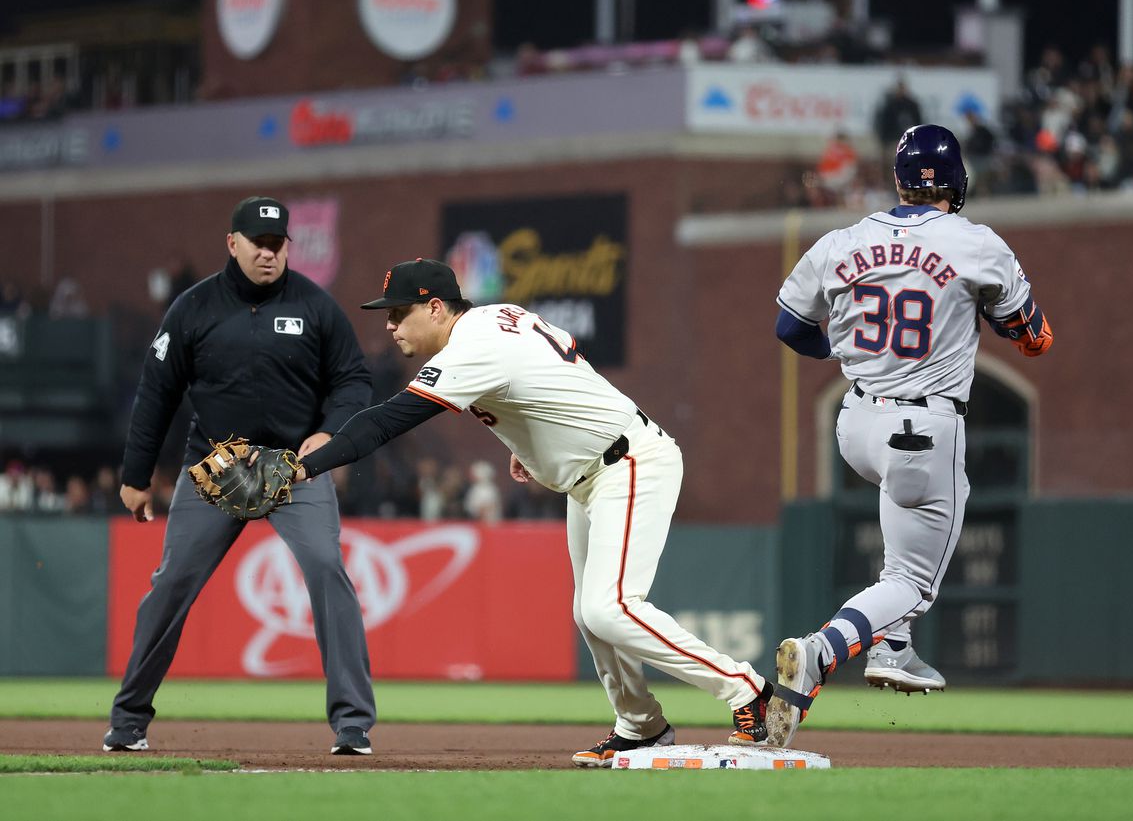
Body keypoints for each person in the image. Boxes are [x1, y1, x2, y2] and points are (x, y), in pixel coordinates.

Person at [290, 258, 777, 767]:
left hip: (628, 463)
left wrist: (306, 467)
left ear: (435, 308)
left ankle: (747, 689)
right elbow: (557, 375)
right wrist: (537, 442)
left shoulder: (473, 347)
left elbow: (386, 422)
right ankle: (640, 725)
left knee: (609, 608)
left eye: (399, 312)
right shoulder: (499, 317)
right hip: (589, 472)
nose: (389, 325)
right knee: (589, 617)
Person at [765, 125, 1053, 748]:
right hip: (922, 427)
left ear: (898, 180)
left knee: (901, 546)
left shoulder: (843, 239)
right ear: (957, 182)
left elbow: (790, 326)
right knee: (915, 583)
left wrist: (846, 348)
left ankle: (894, 650)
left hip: (856, 422)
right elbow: (1031, 336)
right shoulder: (975, 243)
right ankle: (816, 656)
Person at [106, 196, 376, 756]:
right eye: (259, 243)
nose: (269, 253)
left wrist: (330, 432)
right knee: (173, 582)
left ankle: (353, 724)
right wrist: (136, 476)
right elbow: (156, 393)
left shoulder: (316, 306)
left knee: (328, 569)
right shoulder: (194, 308)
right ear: (233, 243)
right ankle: (129, 718)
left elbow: (352, 380)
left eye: (278, 245)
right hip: (216, 468)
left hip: (295, 469)